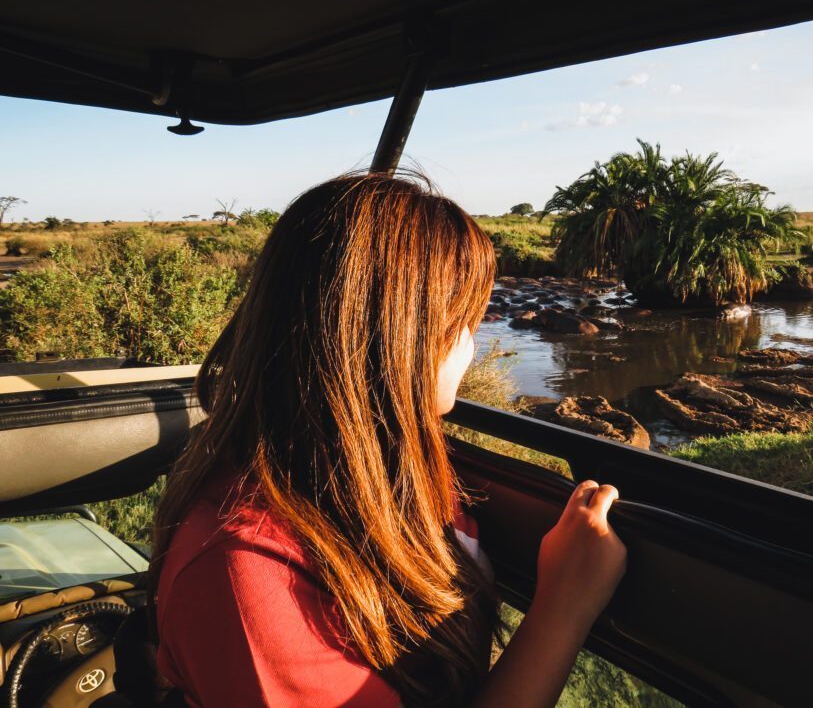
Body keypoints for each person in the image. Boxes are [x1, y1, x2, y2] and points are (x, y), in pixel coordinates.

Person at [149, 173, 627, 707]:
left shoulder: (379, 467)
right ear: (396, 339)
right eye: (465, 320)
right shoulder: (246, 574)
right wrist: (563, 608)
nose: (472, 345)